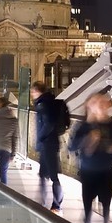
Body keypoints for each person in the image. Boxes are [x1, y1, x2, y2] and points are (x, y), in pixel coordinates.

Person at [70, 91, 112, 223]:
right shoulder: (83, 127)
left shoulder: (111, 125)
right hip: (88, 170)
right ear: (90, 107)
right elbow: (72, 146)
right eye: (96, 103)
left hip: (106, 169)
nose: (101, 105)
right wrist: (89, 139)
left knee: (106, 202)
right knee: (88, 201)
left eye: (102, 103)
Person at [30, 81, 68, 212]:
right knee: (43, 174)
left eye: (32, 92)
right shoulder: (50, 101)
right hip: (50, 143)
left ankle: (56, 205)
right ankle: (42, 201)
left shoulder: (43, 104)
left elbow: (48, 124)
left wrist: (40, 138)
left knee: (52, 176)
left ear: (37, 91)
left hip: (48, 144)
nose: (32, 94)